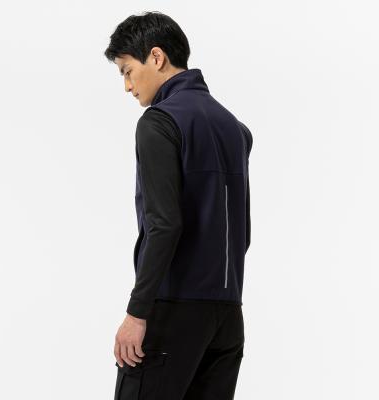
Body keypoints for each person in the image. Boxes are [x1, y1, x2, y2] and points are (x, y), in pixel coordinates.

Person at [104, 11, 253, 400]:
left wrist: (137, 313)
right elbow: (240, 229)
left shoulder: (159, 122)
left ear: (156, 57)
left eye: (127, 71)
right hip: (227, 317)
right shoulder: (235, 128)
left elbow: (164, 224)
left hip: (173, 311)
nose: (127, 86)